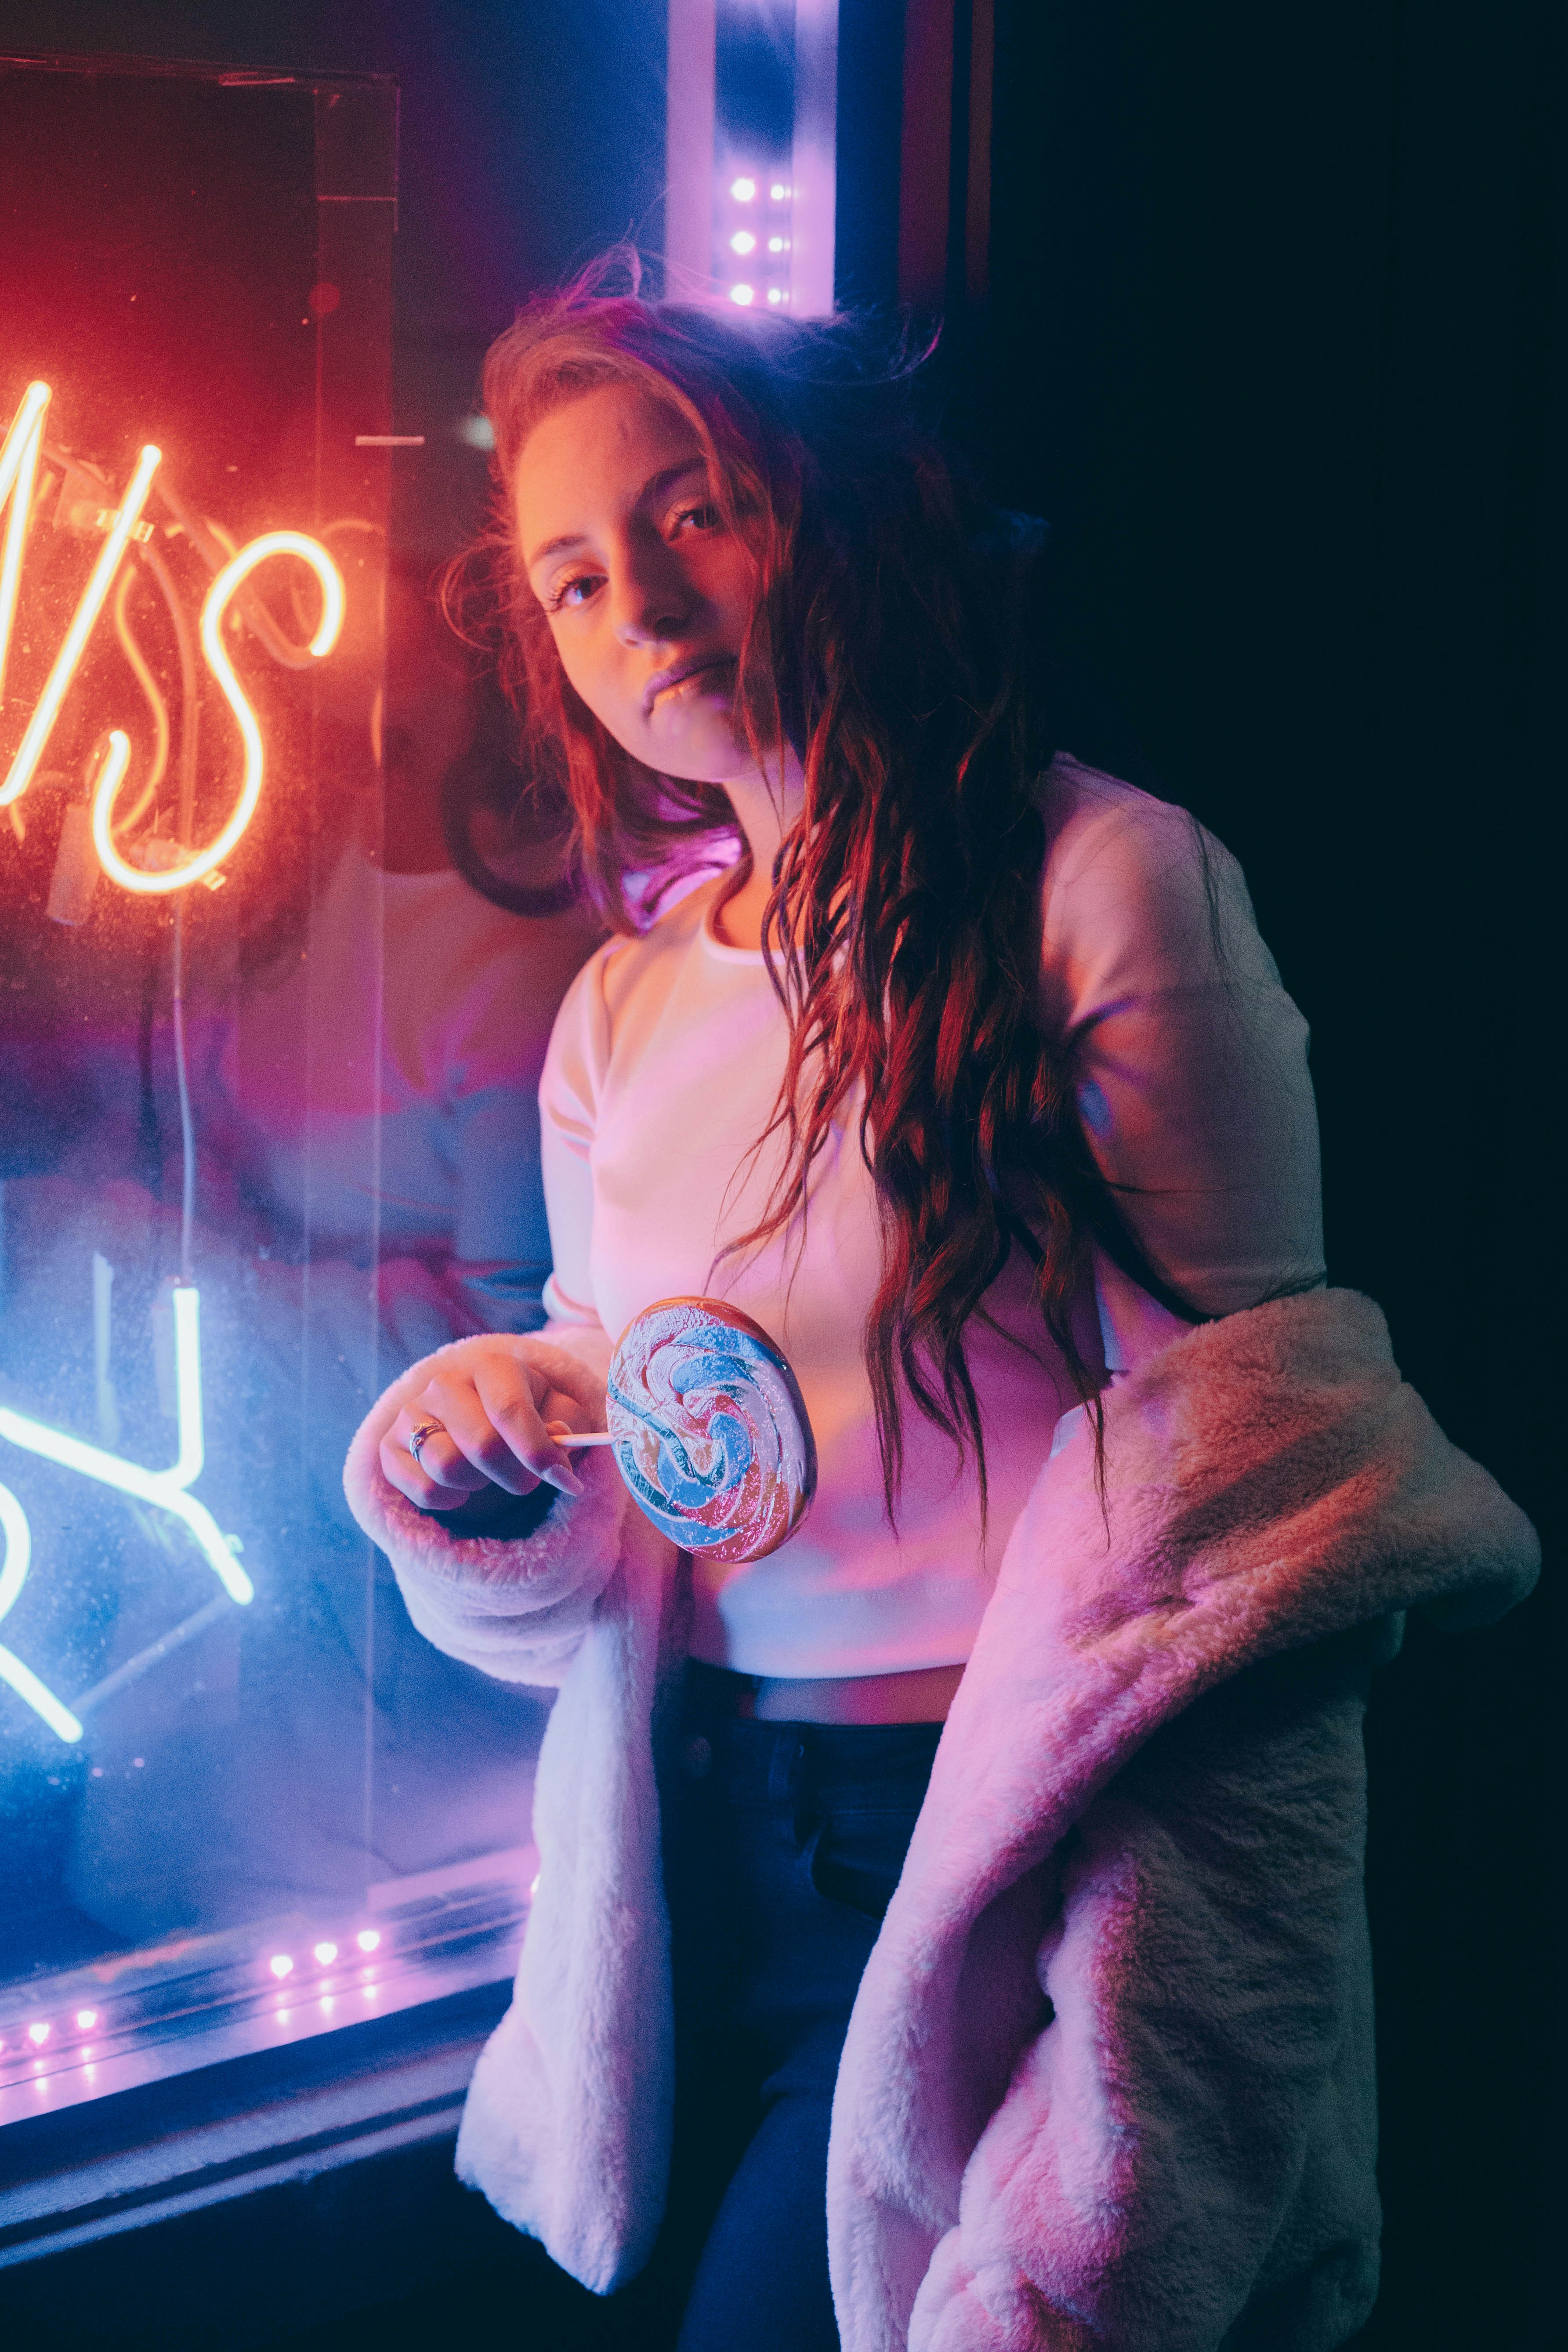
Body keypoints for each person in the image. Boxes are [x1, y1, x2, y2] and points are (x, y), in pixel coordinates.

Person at [343, 273, 1539, 2352]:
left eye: (688, 510)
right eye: (564, 575)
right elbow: (629, 1409)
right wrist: (490, 1431)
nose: (630, 600)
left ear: (835, 510)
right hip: (688, 1861)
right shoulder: (620, 1003)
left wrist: (1113, 2194)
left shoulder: (1110, 880)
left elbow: (1259, 1543)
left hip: (974, 1889)